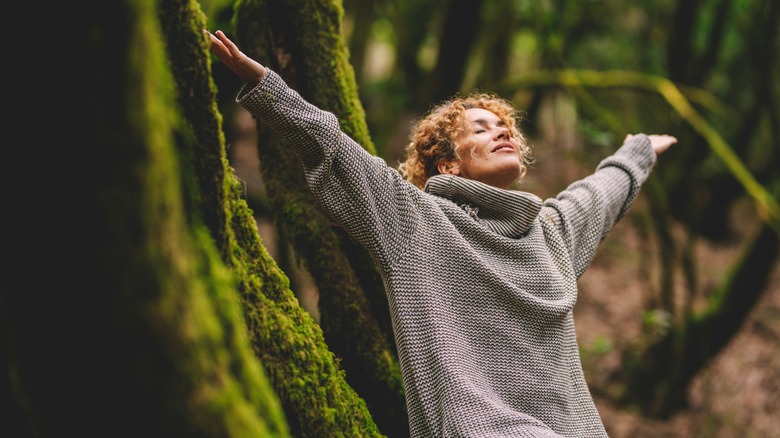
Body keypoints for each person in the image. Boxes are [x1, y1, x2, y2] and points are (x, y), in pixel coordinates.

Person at [207, 29, 676, 438]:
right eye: (482, 128)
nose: (502, 133)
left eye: (505, 126)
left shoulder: (550, 234)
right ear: (448, 163)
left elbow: (597, 195)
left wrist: (638, 153)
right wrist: (263, 84)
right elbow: (334, 147)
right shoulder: (416, 222)